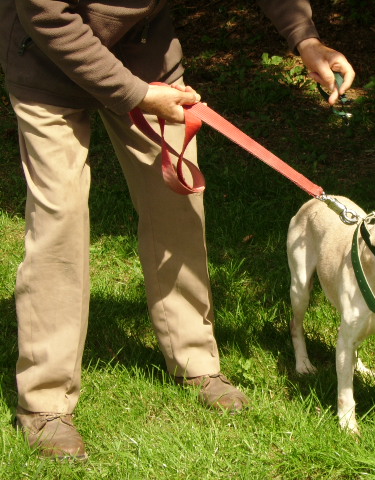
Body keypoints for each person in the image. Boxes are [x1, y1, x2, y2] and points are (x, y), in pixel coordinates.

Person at [0, 0, 354, 460]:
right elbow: (47, 14)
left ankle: (195, 361)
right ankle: (45, 402)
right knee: (58, 222)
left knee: (178, 206)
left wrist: (305, 39)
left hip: (147, 59)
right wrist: (134, 94)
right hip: (47, 63)